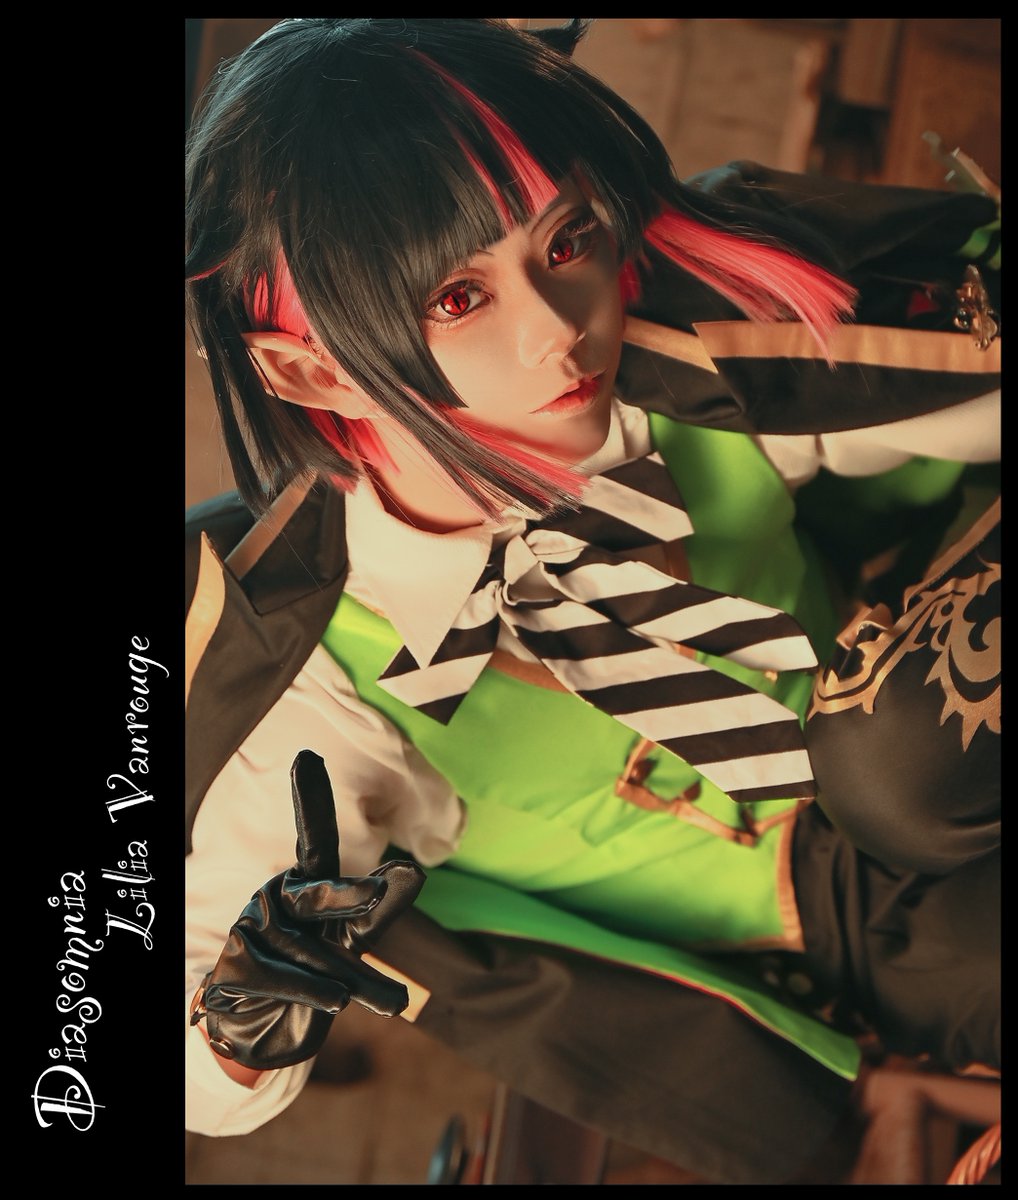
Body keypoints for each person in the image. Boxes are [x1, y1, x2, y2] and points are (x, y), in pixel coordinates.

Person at [184, 18, 1000, 1184]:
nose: (560, 327)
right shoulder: (297, 676)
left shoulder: (679, 347)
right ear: (314, 369)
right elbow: (195, 1069)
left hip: (931, 729)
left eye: (564, 240)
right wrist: (245, 1011)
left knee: (897, 766)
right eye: (457, 298)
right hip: (857, 931)